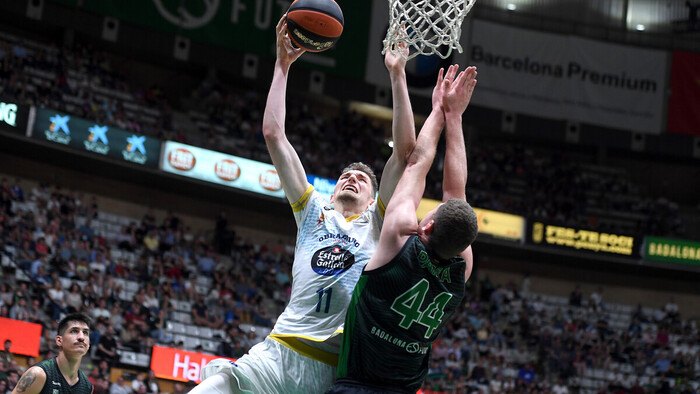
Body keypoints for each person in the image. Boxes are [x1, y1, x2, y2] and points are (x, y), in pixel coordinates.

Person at [192, 13, 417, 394]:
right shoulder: (312, 212)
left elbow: (406, 151)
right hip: (277, 354)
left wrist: (397, 73)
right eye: (346, 175)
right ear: (330, 194)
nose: (352, 178)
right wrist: (282, 64)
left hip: (332, 370)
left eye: (362, 179)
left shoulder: (377, 225)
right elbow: (273, 134)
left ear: (374, 198)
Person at [328, 64, 479, 393]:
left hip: (357, 383)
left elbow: (416, 161)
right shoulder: (461, 269)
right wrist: (455, 118)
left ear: (426, 227)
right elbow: (457, 196)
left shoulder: (398, 238)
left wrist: (442, 111)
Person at [11, 313, 93, 393]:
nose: (81, 337)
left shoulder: (87, 387)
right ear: (59, 340)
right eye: (74, 331)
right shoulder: (38, 374)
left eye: (85, 333)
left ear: (88, 345)